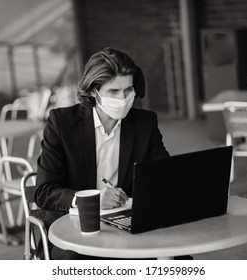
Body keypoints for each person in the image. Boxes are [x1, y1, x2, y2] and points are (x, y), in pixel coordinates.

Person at [35, 47, 169, 259]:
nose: (123, 98)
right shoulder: (61, 123)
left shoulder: (145, 123)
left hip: (126, 223)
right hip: (73, 226)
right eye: (113, 91)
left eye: (128, 90)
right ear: (93, 91)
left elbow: (164, 174)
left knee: (176, 258)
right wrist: (92, 201)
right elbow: (44, 192)